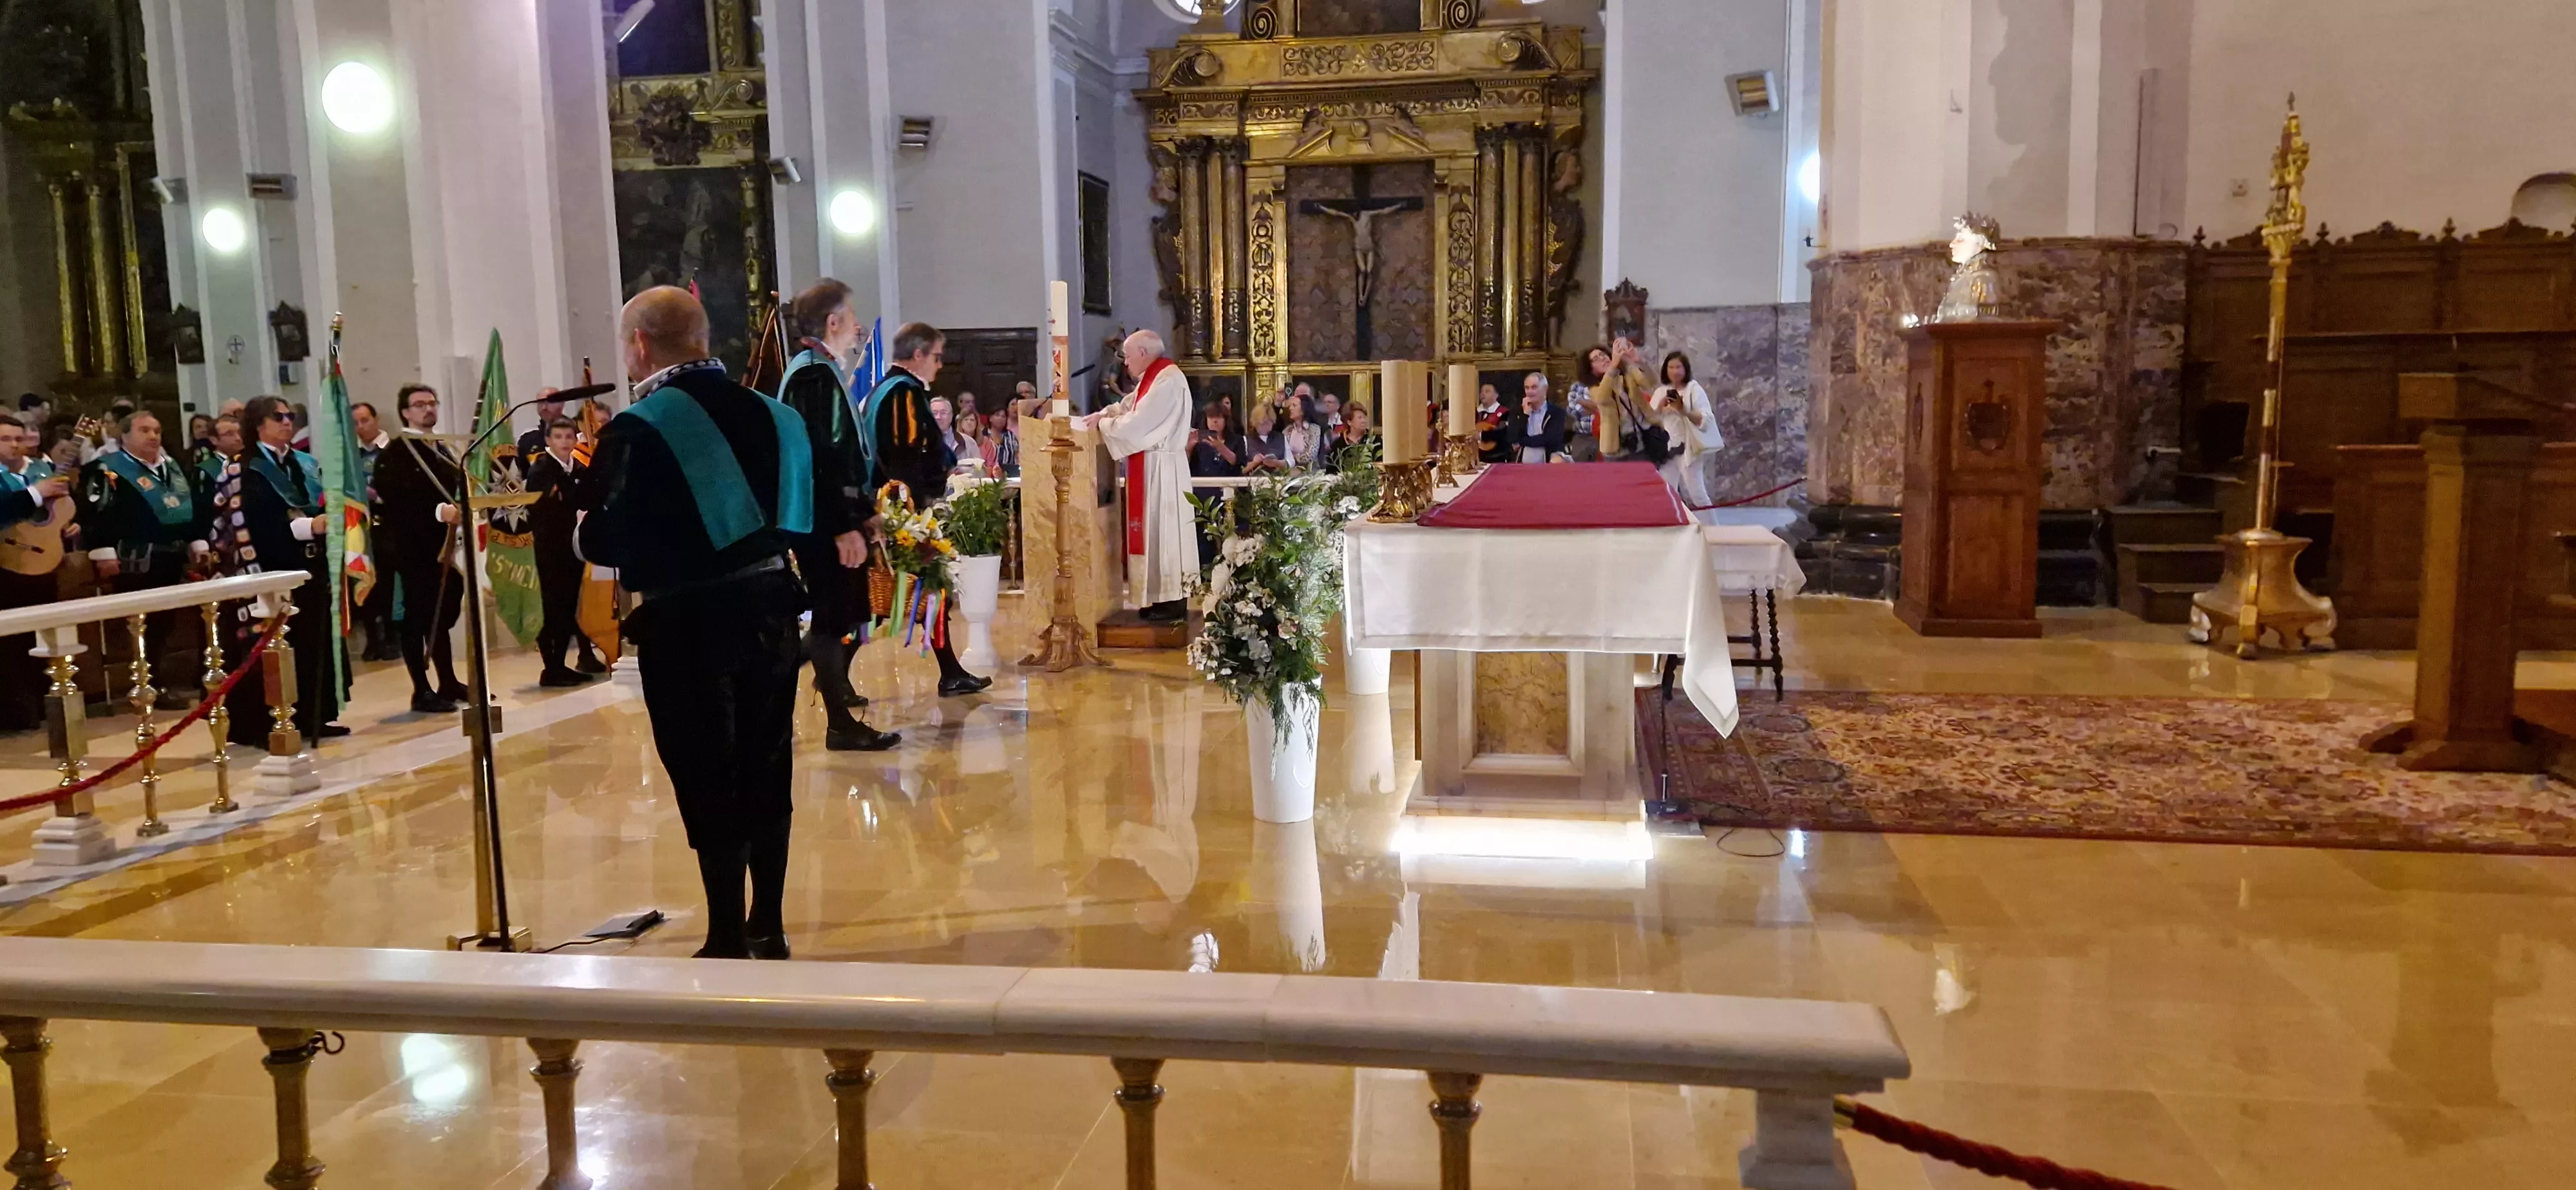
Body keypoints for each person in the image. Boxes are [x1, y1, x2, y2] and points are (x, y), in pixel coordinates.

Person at [580, 286, 814, 960]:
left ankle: (723, 932)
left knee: (706, 767)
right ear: (704, 338)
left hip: (688, 621)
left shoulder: (640, 426)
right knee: (767, 761)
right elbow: (800, 514)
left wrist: (580, 534)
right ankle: (767, 922)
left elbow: (612, 539)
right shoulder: (776, 416)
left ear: (641, 344)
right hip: (771, 608)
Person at [776, 278, 899, 751]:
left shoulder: (821, 369)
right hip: (823, 520)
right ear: (833, 322)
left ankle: (814, 700)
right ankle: (839, 726)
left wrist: (863, 512)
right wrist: (843, 524)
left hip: (831, 515)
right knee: (830, 618)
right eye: (850, 317)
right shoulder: (813, 374)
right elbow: (820, 457)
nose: (857, 326)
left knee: (840, 615)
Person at [204, 395, 348, 745]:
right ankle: (259, 723)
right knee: (268, 645)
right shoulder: (243, 468)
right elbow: (253, 521)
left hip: (307, 566)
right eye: (278, 417)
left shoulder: (300, 464)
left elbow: (311, 502)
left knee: (311, 640)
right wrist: (308, 526)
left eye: (290, 415)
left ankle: (313, 714)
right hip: (266, 567)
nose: (288, 422)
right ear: (258, 425)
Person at [864, 321, 994, 697]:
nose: (940, 365)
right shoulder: (903, 392)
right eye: (936, 357)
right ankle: (829, 670)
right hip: (903, 510)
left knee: (920, 595)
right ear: (918, 355)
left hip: (895, 507)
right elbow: (903, 453)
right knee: (893, 599)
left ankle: (950, 671)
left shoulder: (883, 389)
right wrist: (923, 497)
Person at [79, 409, 212, 703]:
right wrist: (102, 551)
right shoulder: (107, 469)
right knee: (141, 622)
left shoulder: (173, 466)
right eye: (144, 430)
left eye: (157, 431)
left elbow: (189, 507)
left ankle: (162, 680)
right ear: (124, 435)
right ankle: (147, 684)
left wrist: (197, 541)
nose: (153, 436)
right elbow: (95, 514)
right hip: (134, 558)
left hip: (172, 556)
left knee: (167, 622)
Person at [1075, 330, 1199, 623]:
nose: (1124, 363)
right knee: (1153, 534)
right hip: (1150, 467)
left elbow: (1139, 423)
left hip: (1162, 470)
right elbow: (1127, 406)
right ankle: (1157, 597)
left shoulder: (1168, 380)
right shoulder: (1154, 378)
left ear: (1143, 353)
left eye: (1127, 356)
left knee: (1164, 535)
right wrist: (1103, 415)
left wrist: (1105, 425)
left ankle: (1172, 601)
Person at [373, 382, 471, 713]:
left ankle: (448, 680)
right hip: (409, 549)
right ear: (405, 412)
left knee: (439, 615)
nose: (428, 409)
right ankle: (421, 689)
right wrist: (439, 511)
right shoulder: (396, 453)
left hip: (441, 546)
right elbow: (398, 502)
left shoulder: (441, 448)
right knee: (416, 619)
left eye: (432, 403)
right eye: (419, 405)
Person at [0, 415, 71, 732]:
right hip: (5, 566)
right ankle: (16, 711)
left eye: (18, 438)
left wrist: (64, 525)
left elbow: (55, 509)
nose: (14, 445)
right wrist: (36, 494)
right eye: (5, 439)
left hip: (41, 561)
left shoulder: (38, 470)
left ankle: (44, 702)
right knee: (10, 644)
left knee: (41, 637)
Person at [524, 417, 606, 686]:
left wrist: (573, 492)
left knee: (568, 605)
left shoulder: (576, 466)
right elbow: (562, 499)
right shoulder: (542, 468)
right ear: (548, 440)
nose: (564, 442)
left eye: (569, 437)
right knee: (552, 606)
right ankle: (552, 666)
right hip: (548, 549)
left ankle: (560, 663)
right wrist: (572, 492)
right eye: (558, 437)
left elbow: (588, 496)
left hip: (570, 546)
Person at [348, 401, 399, 661]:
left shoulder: (392, 450)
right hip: (360, 528)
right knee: (363, 579)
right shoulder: (351, 455)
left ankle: (392, 635)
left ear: (376, 419)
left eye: (365, 420)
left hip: (389, 525)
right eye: (355, 422)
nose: (361, 427)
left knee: (389, 583)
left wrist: (378, 496)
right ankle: (372, 637)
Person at [1648, 351, 1719, 507]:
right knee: (1667, 492)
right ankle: (1674, 527)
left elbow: (1705, 418)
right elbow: (1650, 418)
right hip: (1666, 449)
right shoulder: (1661, 391)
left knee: (1697, 494)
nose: (1674, 371)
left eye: (1678, 367)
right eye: (1671, 367)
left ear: (1685, 369)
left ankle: (1712, 529)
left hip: (1688, 448)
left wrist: (1683, 410)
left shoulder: (1693, 389)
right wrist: (1660, 407)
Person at [1506, 372, 1567, 464]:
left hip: (1549, 459)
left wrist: (1522, 441)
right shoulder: (1518, 412)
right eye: (1527, 388)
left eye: (1534, 387)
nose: (1530, 392)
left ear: (1545, 389)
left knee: (1558, 461)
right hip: (1523, 460)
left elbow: (1551, 439)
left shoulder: (1556, 412)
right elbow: (1512, 438)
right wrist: (1525, 415)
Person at [1278, 392, 1323, 471]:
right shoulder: (1287, 430)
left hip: (1310, 473)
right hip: (1289, 472)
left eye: (1294, 406)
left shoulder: (1314, 430)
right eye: (1290, 406)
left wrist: (1291, 458)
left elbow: (1310, 456)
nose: (1290, 408)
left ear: (1304, 409)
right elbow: (1281, 453)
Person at [1242, 399, 1291, 473]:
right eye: (1262, 424)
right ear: (1255, 423)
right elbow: (1242, 470)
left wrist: (1277, 463)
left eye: (1268, 423)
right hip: (1254, 480)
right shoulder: (1246, 439)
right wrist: (1254, 463)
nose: (1265, 427)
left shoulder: (1281, 438)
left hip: (1278, 480)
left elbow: (1291, 462)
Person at [516, 389, 567, 458]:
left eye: (549, 402)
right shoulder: (527, 441)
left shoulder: (577, 433)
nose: (544, 407)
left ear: (562, 404)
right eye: (540, 403)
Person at [1327, 400, 1377, 469]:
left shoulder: (1376, 441)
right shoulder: (1338, 445)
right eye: (1360, 418)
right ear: (1349, 422)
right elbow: (1332, 470)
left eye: (1364, 417)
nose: (1364, 421)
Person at [198, 415, 242, 487]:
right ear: (214, 440)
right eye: (229, 434)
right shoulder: (207, 469)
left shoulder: (253, 462)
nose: (238, 438)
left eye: (240, 433)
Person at [1474, 383, 1511, 464]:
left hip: (1496, 458)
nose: (1483, 394)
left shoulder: (1504, 413)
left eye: (1487, 391)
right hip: (1477, 458)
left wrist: (1481, 436)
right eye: (1482, 392)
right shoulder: (1476, 413)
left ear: (1496, 395)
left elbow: (1501, 433)